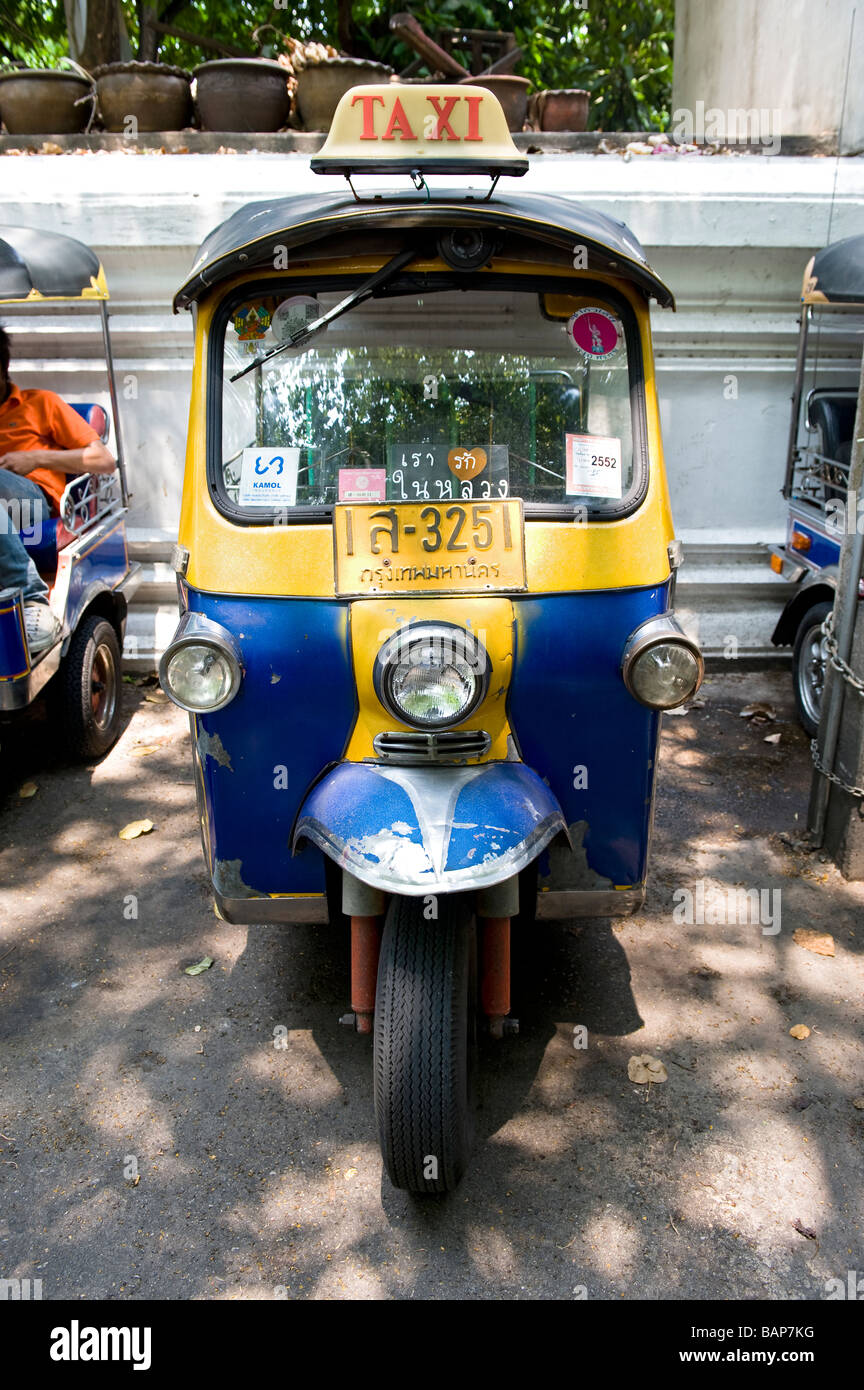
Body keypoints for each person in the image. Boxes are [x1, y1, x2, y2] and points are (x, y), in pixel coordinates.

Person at [0, 325, 116, 653]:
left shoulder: (40, 404)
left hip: (32, 502)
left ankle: (32, 597)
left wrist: (33, 457)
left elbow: (103, 460)